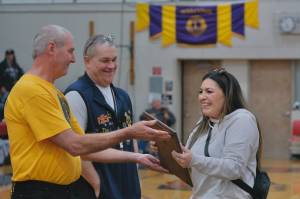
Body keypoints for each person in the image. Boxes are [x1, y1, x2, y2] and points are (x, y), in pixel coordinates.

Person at [4, 24, 170, 199]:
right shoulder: (32, 91)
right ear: (52, 48)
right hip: (39, 192)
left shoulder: (53, 92)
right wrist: (128, 132)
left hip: (59, 191)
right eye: (70, 51)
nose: (73, 59)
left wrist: (137, 157)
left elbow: (83, 147)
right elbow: (74, 145)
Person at [65, 34, 167, 199]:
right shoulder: (76, 96)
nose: (111, 66)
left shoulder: (123, 96)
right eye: (105, 61)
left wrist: (137, 181)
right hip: (96, 191)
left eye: (114, 60)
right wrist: (96, 184)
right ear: (87, 60)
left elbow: (131, 138)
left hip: (128, 189)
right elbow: (74, 149)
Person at [171, 68, 261, 199]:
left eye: (209, 91)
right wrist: (166, 149)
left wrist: (194, 160)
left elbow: (234, 168)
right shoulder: (203, 122)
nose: (202, 97)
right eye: (200, 92)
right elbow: (189, 161)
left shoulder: (242, 119)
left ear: (227, 94)